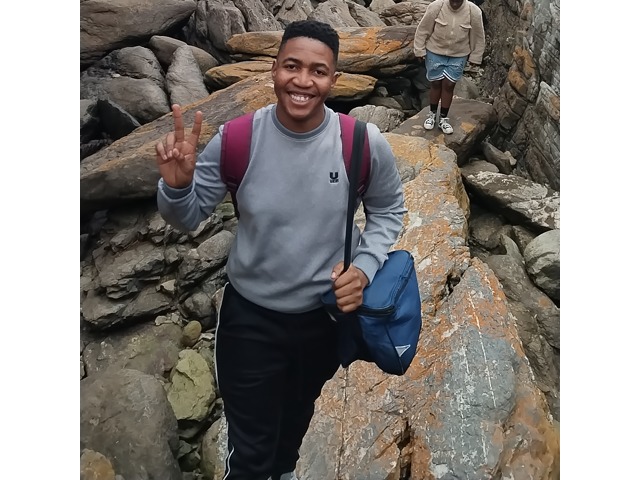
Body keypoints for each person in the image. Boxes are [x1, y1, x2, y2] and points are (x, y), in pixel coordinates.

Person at [155, 20, 406, 480]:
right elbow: (187, 217)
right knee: (250, 455)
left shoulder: (360, 143)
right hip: (250, 322)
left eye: (318, 71)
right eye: (292, 66)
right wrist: (176, 187)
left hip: (324, 321)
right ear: (273, 70)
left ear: (334, 79)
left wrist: (365, 268)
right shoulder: (237, 139)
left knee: (293, 430)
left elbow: (389, 210)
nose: (303, 81)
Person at [413, 0, 486, 134]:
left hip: (459, 55)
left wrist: (476, 57)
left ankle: (443, 119)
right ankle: (432, 114)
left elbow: (478, 36)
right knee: (435, 83)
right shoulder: (436, 7)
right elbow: (423, 29)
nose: (455, 2)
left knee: (449, 85)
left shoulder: (473, 11)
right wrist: (419, 50)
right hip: (435, 52)